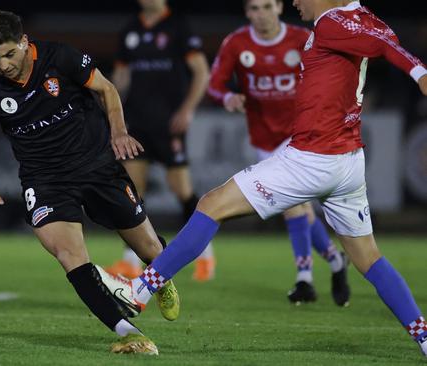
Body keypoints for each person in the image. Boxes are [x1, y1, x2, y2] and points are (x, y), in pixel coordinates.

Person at [116, 0, 427, 356]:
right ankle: (425, 338)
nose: (295, 2)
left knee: (211, 204)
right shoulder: (362, 17)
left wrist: (420, 75)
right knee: (370, 259)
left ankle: (138, 292)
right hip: (348, 161)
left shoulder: (330, 23)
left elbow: (384, 46)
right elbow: (385, 38)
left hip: (313, 157)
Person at [0, 11, 180, 355]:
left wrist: (119, 132)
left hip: (95, 165)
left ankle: (161, 276)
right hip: (44, 180)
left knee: (150, 249)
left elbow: (107, 90)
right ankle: (128, 332)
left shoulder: (60, 57)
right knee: (68, 253)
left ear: (24, 43)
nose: (2, 65)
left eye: (8, 55)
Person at [207, 0, 349, 305]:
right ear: (247, 12)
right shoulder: (237, 43)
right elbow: (214, 84)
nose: (262, 14)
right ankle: (336, 261)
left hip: (301, 135)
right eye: (255, 8)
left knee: (292, 206)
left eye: (267, 6)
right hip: (263, 140)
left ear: (279, 7)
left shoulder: (302, 38)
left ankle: (304, 279)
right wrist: (228, 97)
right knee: (302, 209)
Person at [108, 0, 215, 282]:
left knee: (181, 189)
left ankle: (205, 254)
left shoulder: (178, 26)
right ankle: (131, 259)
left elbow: (202, 72)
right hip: (136, 122)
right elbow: (120, 77)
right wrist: (113, 116)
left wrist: (187, 110)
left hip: (169, 123)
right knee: (132, 191)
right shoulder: (130, 30)